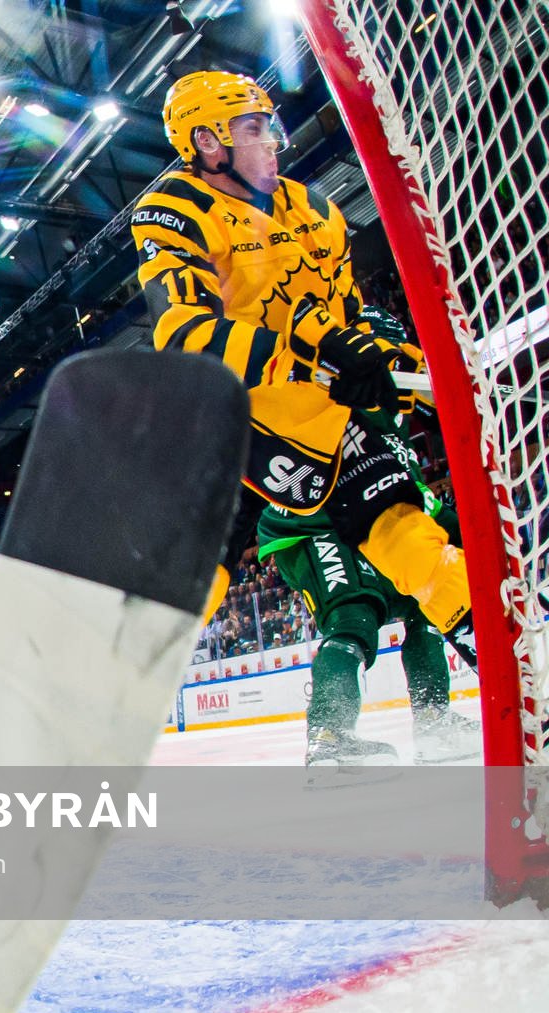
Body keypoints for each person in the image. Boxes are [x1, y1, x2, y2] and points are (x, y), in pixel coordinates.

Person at [132, 71, 475, 665]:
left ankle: (497, 641)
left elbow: (350, 320)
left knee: (394, 512)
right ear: (208, 143)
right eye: (253, 128)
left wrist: (399, 366)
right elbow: (184, 336)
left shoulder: (314, 208)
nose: (272, 141)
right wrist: (315, 359)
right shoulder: (173, 210)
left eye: (269, 126)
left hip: (316, 414)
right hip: (228, 420)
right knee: (196, 567)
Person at [255, 308, 480, 769]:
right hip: (315, 522)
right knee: (353, 618)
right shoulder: (334, 378)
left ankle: (434, 722)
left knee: (428, 603)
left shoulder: (394, 395)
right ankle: (329, 739)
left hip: (378, 516)